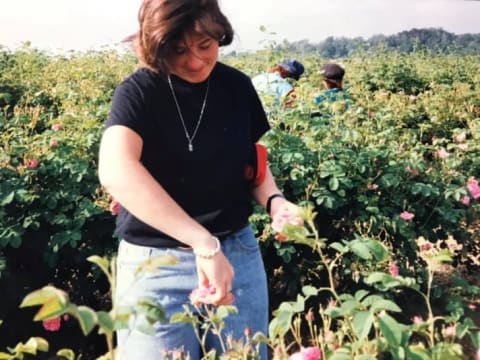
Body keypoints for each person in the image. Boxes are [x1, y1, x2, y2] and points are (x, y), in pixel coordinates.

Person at [97, 0, 298, 359]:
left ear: (220, 35)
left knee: (245, 354)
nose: (194, 61)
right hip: (157, 264)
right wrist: (203, 244)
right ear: (154, 47)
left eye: (205, 46)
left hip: (237, 256)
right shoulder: (139, 92)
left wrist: (276, 202)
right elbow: (116, 169)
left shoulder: (236, 88)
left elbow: (252, 165)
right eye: (177, 50)